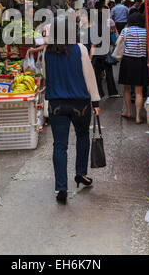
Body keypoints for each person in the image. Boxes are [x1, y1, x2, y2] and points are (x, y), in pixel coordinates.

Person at [43, 17, 100, 204]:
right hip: (80, 104)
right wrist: (96, 102)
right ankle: (81, 174)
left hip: (56, 104)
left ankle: (61, 188)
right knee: (82, 136)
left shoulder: (47, 52)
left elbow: (45, 76)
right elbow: (89, 76)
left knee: (60, 145)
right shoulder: (80, 49)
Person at [117, 12, 149, 124]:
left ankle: (129, 111)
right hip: (140, 61)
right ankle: (138, 117)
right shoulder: (146, 31)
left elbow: (117, 43)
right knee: (139, 91)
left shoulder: (125, 30)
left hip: (127, 61)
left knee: (127, 88)